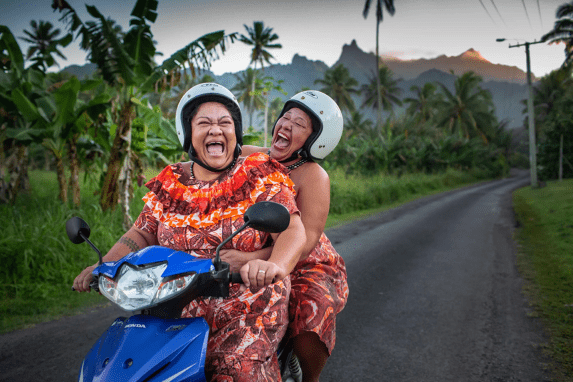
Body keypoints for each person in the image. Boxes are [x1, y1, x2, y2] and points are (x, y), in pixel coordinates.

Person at [73, 83, 307, 381]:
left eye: (225, 123)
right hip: (170, 308)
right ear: (188, 134)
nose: (215, 130)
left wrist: (274, 265)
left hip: (246, 305)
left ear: (236, 133)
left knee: (239, 372)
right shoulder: (172, 183)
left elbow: (292, 231)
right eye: (204, 123)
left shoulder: (259, 174)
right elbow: (140, 234)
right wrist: (103, 266)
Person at [220, 90, 349, 382]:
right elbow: (211, 158)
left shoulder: (313, 175)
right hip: (251, 247)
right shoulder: (251, 155)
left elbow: (306, 242)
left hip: (306, 260)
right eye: (285, 117)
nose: (287, 125)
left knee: (312, 312)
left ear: (317, 139)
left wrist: (249, 260)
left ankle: (310, 378)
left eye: (300, 124)